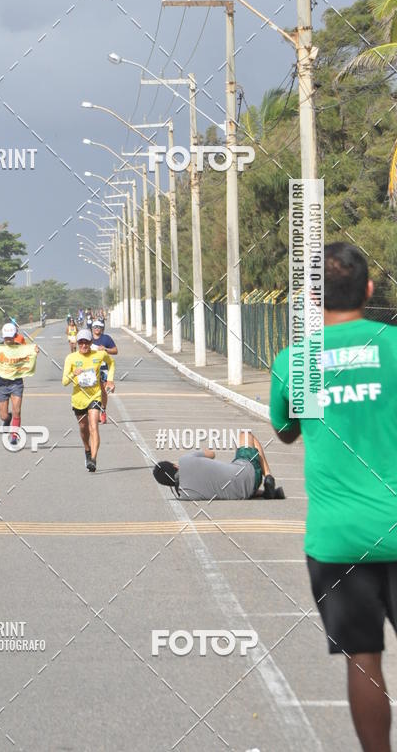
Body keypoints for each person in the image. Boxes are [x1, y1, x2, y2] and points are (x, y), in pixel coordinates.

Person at [270, 242, 397, 752]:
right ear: (369, 289)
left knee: (363, 659)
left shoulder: (297, 363)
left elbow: (285, 432)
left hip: (338, 538)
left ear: (312, 298)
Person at [153, 431, 283, 500]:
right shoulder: (184, 460)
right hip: (249, 471)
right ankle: (269, 476)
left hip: (246, 492)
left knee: (222, 486)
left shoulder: (185, 495)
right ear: (175, 466)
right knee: (246, 435)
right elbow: (212, 454)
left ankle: (264, 493)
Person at [62, 328, 115, 472]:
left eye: (86, 342)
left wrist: (110, 380)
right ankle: (87, 449)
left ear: (91, 342)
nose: (84, 345)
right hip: (78, 398)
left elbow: (111, 363)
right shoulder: (71, 358)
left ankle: (93, 459)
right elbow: (64, 382)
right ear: (78, 343)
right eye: (81, 343)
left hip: (95, 396)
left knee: (93, 426)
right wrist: (74, 373)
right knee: (83, 428)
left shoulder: (99, 354)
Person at [0, 322, 38, 446]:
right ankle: (7, 419)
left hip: (16, 383)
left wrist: (34, 352)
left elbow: (29, 354)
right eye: (6, 337)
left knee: (17, 410)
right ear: (3, 337)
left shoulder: (20, 348)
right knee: (4, 416)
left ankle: (14, 436)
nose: (8, 339)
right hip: (0, 384)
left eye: (10, 337)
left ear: (14, 336)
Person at [90, 320, 118, 424]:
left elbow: (115, 350)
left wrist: (105, 349)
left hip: (103, 368)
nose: (97, 328)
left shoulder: (106, 338)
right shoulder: (88, 339)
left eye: (99, 327)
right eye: (95, 326)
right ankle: (95, 411)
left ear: (102, 328)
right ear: (92, 328)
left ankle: (103, 411)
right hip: (91, 369)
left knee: (103, 391)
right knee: (93, 391)